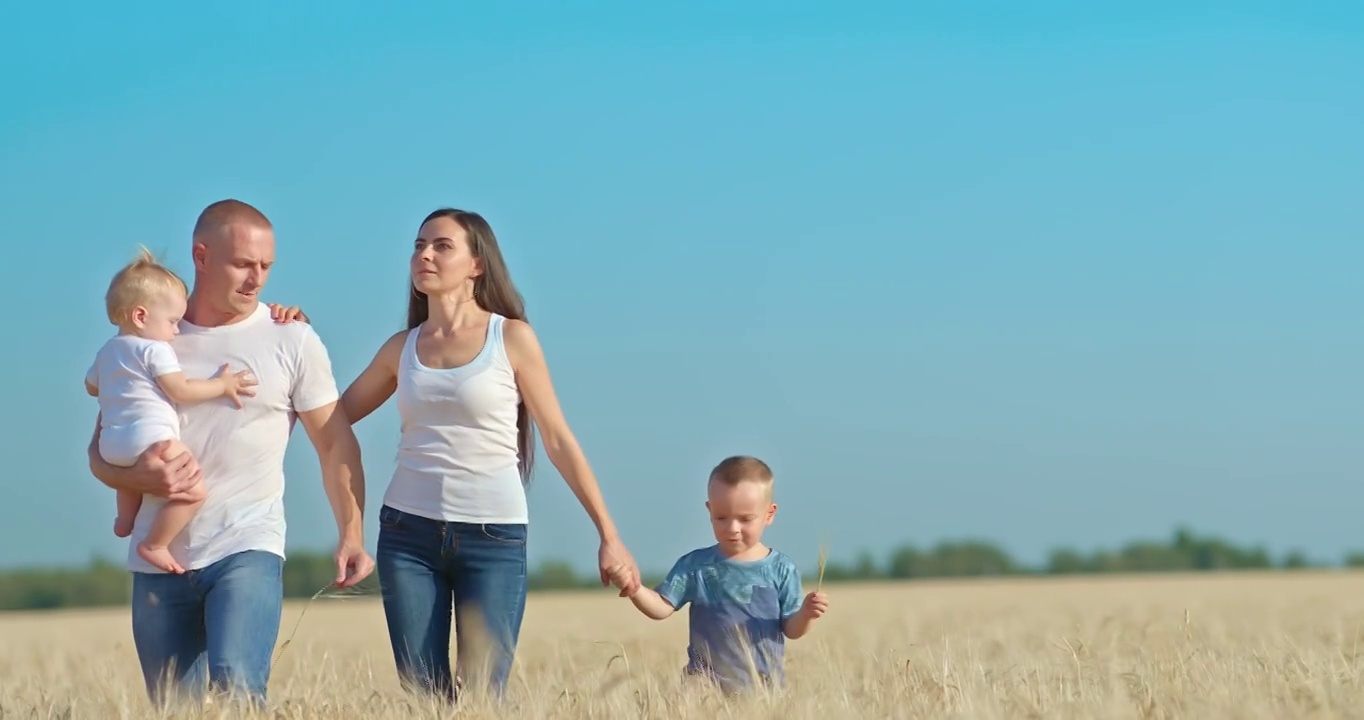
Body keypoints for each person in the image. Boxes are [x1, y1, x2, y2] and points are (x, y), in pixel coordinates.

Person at [335, 207, 641, 702]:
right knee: (423, 696)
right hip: (406, 535)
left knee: (482, 697)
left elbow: (559, 439)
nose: (424, 255)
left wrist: (609, 535)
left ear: (477, 264)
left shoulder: (512, 338)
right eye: (418, 245)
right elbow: (330, 417)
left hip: (493, 538)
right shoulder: (401, 348)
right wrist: (291, 334)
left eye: (441, 246)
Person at [85, 199, 375, 708]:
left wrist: (351, 531)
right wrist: (136, 477)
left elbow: (334, 442)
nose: (256, 279)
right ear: (201, 255)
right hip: (160, 561)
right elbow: (103, 445)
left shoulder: (293, 339)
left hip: (248, 544)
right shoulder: (147, 340)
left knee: (239, 694)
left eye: (266, 266)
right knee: (173, 708)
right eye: (244, 263)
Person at [86, 247, 258, 574]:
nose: (177, 330)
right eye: (173, 321)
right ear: (141, 316)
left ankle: (125, 520)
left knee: (130, 478)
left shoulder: (107, 350)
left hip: (112, 444)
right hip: (151, 437)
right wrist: (222, 385)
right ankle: (155, 543)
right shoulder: (155, 350)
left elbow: (91, 386)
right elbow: (181, 390)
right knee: (194, 491)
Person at [615, 455, 830, 694]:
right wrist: (635, 589)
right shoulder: (695, 566)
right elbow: (661, 607)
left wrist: (807, 614)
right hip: (703, 691)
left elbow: (791, 629)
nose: (732, 528)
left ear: (769, 514)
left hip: (763, 691)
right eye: (721, 518)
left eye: (745, 519)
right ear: (709, 509)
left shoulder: (781, 569)